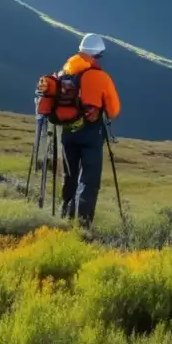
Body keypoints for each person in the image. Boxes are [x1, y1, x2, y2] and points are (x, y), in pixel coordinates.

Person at [46, 33, 121, 227]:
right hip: (91, 134)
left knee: (69, 176)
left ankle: (64, 218)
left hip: (67, 132)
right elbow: (113, 111)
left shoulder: (64, 73)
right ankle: (82, 225)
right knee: (88, 181)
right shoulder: (100, 77)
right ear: (97, 55)